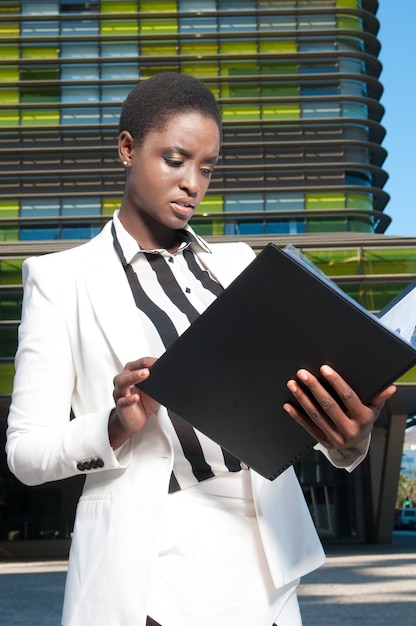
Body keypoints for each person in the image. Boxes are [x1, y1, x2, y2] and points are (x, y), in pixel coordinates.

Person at [6, 72, 395, 626]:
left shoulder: (239, 265)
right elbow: (24, 453)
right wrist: (115, 424)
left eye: (206, 168)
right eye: (175, 159)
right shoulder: (60, 279)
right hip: (150, 565)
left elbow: (288, 405)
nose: (193, 182)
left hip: (263, 558)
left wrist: (347, 443)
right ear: (126, 148)